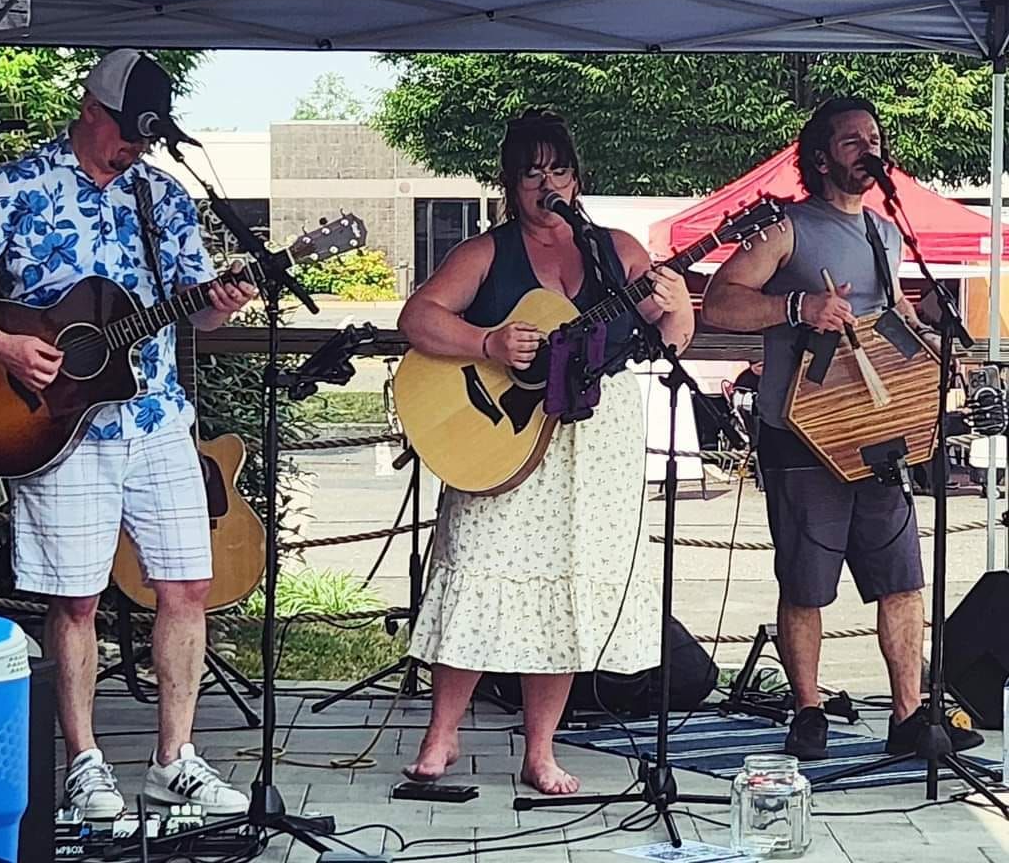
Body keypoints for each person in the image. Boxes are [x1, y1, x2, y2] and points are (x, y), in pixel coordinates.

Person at [0, 50, 257, 818]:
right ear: (91, 108)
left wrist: (221, 302)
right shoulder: (18, 184)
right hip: (54, 423)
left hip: (158, 417)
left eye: (146, 138)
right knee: (77, 601)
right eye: (126, 132)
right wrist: (3, 347)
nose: (134, 147)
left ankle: (176, 760)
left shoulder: (163, 197)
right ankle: (85, 766)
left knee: (187, 586)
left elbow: (194, 310)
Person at [398, 110, 695, 795]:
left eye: (557, 169)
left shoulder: (614, 251)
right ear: (510, 182)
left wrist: (678, 304)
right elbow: (418, 318)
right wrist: (488, 344)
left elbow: (673, 340)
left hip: (597, 442)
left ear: (576, 177)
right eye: (532, 172)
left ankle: (541, 751)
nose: (546, 183)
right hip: (504, 436)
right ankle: (442, 735)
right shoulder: (486, 252)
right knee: (477, 567)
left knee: (568, 583)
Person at [702, 97, 983, 761]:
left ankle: (909, 716)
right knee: (805, 582)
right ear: (821, 156)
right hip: (801, 433)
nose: (869, 148)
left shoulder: (886, 234)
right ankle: (807, 711)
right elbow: (719, 302)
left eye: (875, 138)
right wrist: (797, 306)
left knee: (902, 579)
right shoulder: (787, 229)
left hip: (876, 431)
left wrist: (936, 335)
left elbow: (892, 323)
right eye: (852, 140)